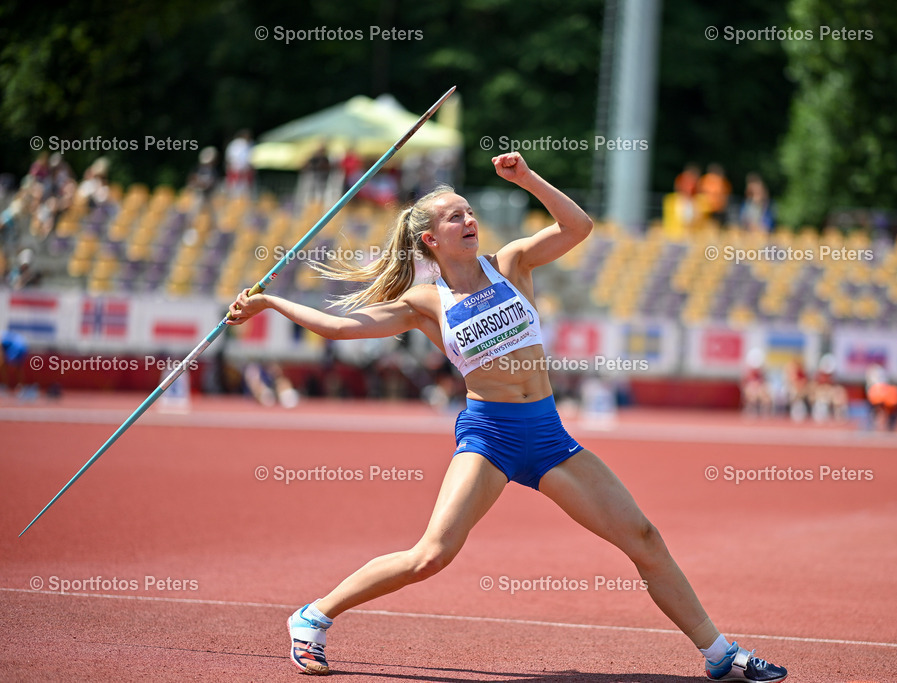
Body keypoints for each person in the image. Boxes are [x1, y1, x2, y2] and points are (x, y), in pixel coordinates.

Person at [227, 152, 787, 682]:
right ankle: (314, 616)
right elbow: (342, 328)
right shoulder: (427, 303)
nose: (469, 220)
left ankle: (721, 656)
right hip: (490, 435)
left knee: (643, 537)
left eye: (470, 211)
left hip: (547, 435)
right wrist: (270, 302)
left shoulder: (511, 263)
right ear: (431, 239)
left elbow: (578, 228)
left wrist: (528, 180)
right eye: (454, 217)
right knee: (431, 556)